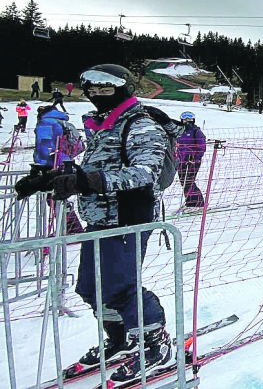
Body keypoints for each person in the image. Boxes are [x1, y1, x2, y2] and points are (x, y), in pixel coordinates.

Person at [14, 64, 173, 385]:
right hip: (99, 219)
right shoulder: (104, 125)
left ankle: (156, 343)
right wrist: (53, 178)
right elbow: (95, 169)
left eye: (105, 90)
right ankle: (120, 338)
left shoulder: (141, 125)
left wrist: (87, 181)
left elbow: (145, 173)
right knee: (90, 286)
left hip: (128, 219)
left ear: (123, 90)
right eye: (92, 90)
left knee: (119, 287)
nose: (97, 95)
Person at [32, 104, 85, 234]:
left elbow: (44, 145)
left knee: (53, 197)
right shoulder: (63, 122)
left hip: (51, 164)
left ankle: (70, 228)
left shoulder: (46, 122)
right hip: (65, 162)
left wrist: (41, 163)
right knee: (59, 195)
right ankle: (71, 227)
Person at [177, 111, 207, 208]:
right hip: (181, 161)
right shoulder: (180, 132)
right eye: (185, 120)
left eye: (189, 119)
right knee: (183, 181)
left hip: (192, 161)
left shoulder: (196, 132)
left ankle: (197, 202)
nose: (187, 122)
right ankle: (190, 201)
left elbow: (201, 146)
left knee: (189, 181)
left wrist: (195, 158)